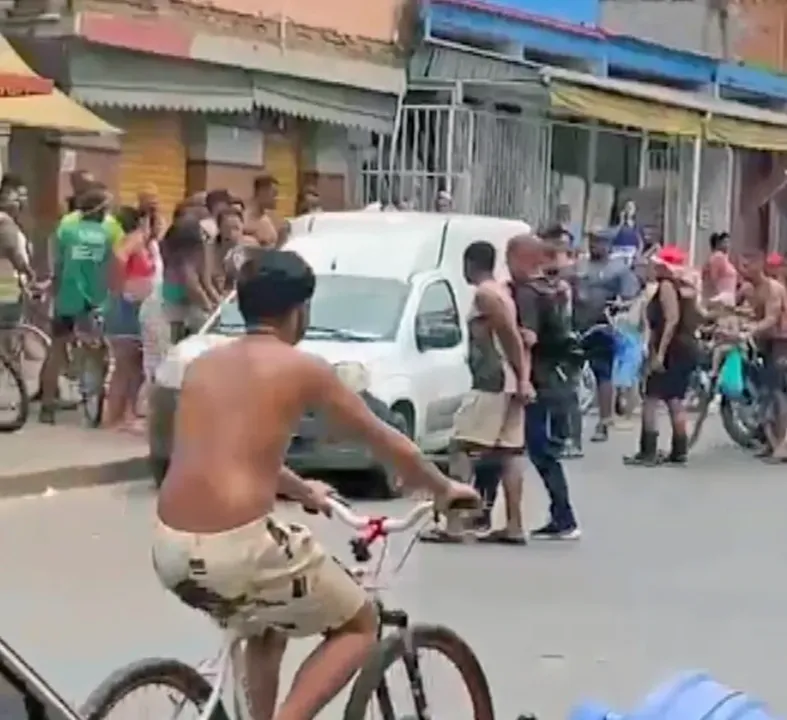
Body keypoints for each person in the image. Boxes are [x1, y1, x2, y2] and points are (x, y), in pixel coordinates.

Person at [151, 247, 479, 720]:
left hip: (170, 548)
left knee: (269, 622)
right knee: (359, 624)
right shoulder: (302, 368)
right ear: (300, 310)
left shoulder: (204, 365)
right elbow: (388, 441)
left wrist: (304, 490)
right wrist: (444, 489)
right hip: (238, 548)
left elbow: (224, 455)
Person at [421, 241, 528, 544]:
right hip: (506, 381)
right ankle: (515, 525)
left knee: (460, 447)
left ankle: (455, 523)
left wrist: (522, 377)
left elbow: (509, 335)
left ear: (469, 264)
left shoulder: (486, 295)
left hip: (491, 381)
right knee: (509, 452)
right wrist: (522, 378)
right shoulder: (502, 292)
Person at [508, 233, 581, 540]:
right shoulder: (552, 289)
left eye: (510, 259)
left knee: (540, 450)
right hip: (554, 378)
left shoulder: (529, 293)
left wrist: (523, 380)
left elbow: (529, 339)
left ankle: (564, 517)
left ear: (522, 259)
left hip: (541, 380)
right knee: (531, 449)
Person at [39, 185, 116, 424]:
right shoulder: (107, 235)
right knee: (97, 349)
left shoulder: (67, 231)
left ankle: (47, 407)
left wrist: (53, 289)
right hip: (95, 300)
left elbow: (59, 267)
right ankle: (94, 397)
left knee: (56, 351)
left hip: (67, 298)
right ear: (100, 210)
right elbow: (109, 269)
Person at [624, 246, 700, 466]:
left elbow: (671, 320)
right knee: (674, 399)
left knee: (652, 398)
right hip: (684, 347)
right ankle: (679, 450)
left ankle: (648, 451)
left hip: (672, 349)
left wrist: (660, 353)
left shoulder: (666, 287)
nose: (652, 268)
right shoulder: (684, 289)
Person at [570, 228, 640, 442]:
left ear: (609, 245)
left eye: (600, 242)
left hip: (602, 326)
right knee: (572, 375)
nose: (595, 246)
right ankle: (571, 427)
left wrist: (618, 306)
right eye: (592, 241)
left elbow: (630, 296)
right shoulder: (579, 265)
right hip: (576, 325)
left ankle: (604, 421)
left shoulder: (618, 269)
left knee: (603, 374)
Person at [103, 206, 157, 432]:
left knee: (135, 366)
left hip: (137, 305)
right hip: (127, 307)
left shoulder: (143, 243)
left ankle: (127, 414)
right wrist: (119, 288)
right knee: (125, 364)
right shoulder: (135, 239)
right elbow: (118, 257)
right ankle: (114, 417)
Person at [738, 249, 787, 463]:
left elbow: (771, 319)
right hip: (765, 343)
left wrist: (751, 329)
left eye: (747, 265)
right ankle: (771, 442)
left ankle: (783, 444)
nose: (742, 269)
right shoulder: (749, 289)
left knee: (777, 393)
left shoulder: (773, 289)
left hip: (781, 342)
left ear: (759, 266)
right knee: (766, 392)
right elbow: (744, 310)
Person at [160, 218, 216, 343]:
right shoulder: (184, 266)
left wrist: (217, 304)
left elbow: (204, 282)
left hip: (176, 310)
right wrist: (211, 309)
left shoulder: (174, 260)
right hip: (176, 313)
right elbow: (194, 289)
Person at [0, 183, 35, 359]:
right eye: (13, 199)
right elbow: (12, 251)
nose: (18, 202)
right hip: (6, 285)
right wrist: (28, 272)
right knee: (8, 332)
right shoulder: (4, 222)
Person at [702, 232, 737, 306]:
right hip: (722, 297)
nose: (727, 245)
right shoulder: (718, 257)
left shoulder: (724, 258)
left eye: (728, 242)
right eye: (725, 242)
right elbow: (713, 279)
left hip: (727, 296)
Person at [248, 174, 279, 248]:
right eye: (274, 194)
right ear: (262, 192)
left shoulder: (269, 221)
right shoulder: (243, 221)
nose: (277, 198)